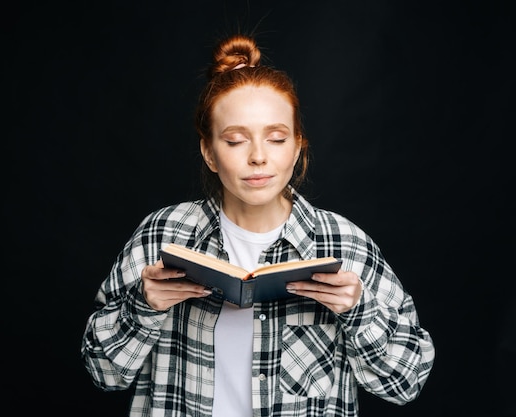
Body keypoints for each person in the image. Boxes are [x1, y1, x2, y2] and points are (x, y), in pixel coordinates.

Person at [81, 32, 435, 417]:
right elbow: (104, 374)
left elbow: (407, 382)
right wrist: (143, 307)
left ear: (298, 145)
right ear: (209, 153)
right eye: (235, 141)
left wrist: (358, 310)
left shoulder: (345, 245)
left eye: (277, 138)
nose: (258, 157)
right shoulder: (163, 233)